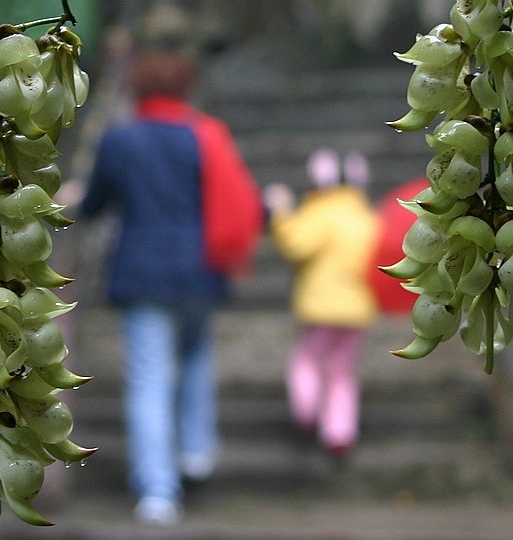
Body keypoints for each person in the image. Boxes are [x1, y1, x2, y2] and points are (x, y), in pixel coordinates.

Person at [80, 49, 263, 527]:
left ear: (139, 91)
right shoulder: (205, 136)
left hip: (141, 273)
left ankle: (159, 491)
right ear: (186, 89)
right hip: (200, 269)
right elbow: (239, 196)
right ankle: (198, 450)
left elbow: (95, 204)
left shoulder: (119, 140)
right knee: (197, 357)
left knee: (148, 379)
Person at [264, 149, 380, 459]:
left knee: (308, 360)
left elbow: (294, 243)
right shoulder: (367, 218)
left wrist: (281, 211)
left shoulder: (319, 214)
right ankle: (339, 431)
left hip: (319, 307)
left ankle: (306, 410)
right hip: (358, 310)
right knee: (343, 370)